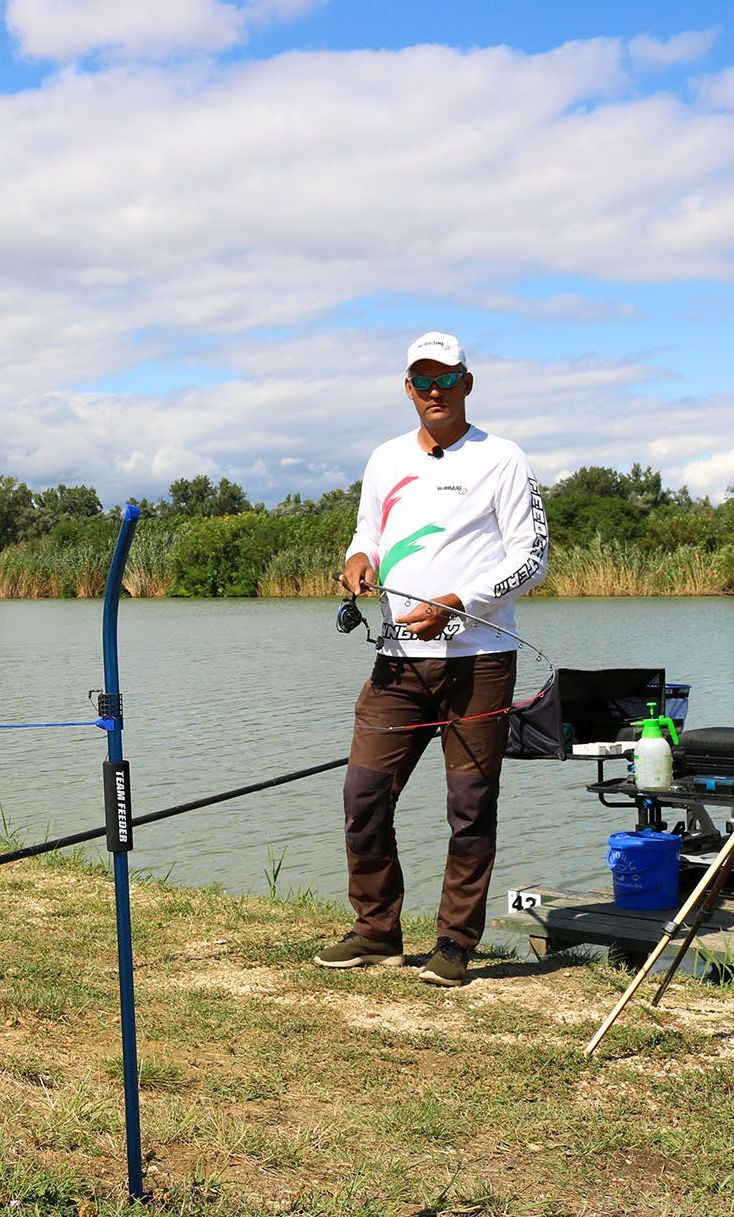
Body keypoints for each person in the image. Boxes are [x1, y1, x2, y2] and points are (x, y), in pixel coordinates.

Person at [316, 331, 548, 987]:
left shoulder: (503, 459)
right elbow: (369, 532)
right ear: (408, 389)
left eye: (447, 378)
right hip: (398, 659)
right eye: (422, 380)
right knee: (363, 792)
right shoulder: (385, 459)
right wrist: (359, 561)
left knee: (469, 803)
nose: (435, 391)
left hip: (480, 660)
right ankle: (376, 930)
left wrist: (459, 601)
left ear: (467, 384)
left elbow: (532, 560)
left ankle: (454, 942)